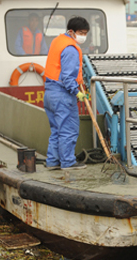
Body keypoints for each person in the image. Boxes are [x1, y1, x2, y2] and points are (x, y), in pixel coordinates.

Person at [43, 17, 89, 170]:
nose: (83, 36)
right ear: (72, 31)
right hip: (62, 95)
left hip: (50, 93)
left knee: (56, 130)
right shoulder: (70, 49)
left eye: (86, 33)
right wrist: (77, 92)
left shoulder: (58, 41)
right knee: (68, 130)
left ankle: (53, 162)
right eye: (81, 33)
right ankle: (68, 163)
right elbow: (68, 77)